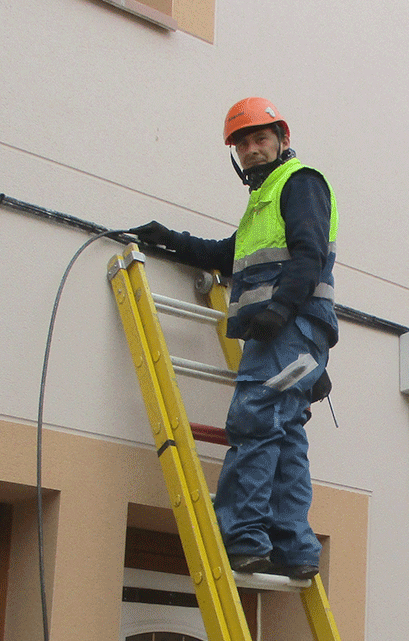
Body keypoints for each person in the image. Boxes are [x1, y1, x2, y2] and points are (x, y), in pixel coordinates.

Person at [129, 97, 337, 580]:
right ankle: (295, 548)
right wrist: (174, 240)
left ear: (282, 139)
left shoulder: (300, 182)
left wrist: (282, 309)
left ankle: (244, 536)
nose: (251, 150)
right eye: (242, 144)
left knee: (255, 423)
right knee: (284, 436)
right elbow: (233, 255)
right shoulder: (263, 203)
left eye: (260, 139)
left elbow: (309, 254)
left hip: (288, 329)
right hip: (297, 333)